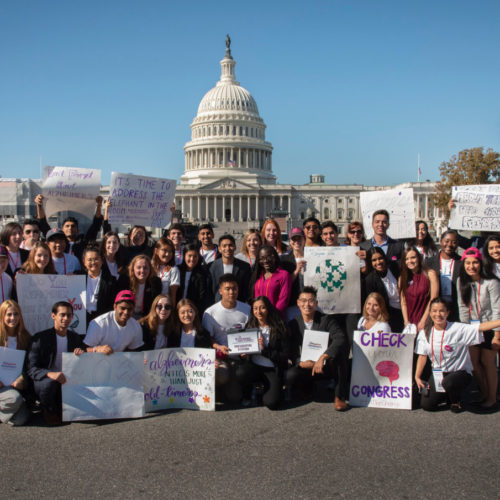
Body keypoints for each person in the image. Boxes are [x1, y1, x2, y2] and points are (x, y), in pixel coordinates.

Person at [414, 297, 500, 413]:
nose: (438, 314)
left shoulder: (458, 328)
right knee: (427, 405)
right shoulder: (425, 333)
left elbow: (481, 327)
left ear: (448, 313)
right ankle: (446, 394)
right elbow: (422, 356)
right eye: (434, 311)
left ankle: (456, 400)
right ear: (430, 313)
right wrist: (417, 376)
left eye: (441, 311)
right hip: (439, 373)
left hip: (459, 372)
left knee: (449, 382)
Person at [286, 287, 349, 411]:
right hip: (306, 365)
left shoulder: (326, 320)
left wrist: (323, 357)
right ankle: (307, 388)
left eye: (311, 301)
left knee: (340, 357)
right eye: (303, 301)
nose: (307, 305)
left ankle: (339, 397)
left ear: (316, 303)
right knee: (290, 375)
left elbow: (340, 338)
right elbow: (290, 349)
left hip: (324, 365)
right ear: (298, 303)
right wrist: (300, 362)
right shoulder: (293, 324)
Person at [27, 301, 87, 425]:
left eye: (69, 315)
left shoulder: (75, 338)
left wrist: (81, 354)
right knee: (49, 383)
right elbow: (31, 368)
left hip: (66, 380)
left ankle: (62, 407)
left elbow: (84, 357)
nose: (66, 318)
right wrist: (50, 374)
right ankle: (48, 410)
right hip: (45, 381)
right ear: (53, 316)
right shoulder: (40, 339)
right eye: (62, 315)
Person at [457, 247, 500, 410]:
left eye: (475, 262)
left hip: (490, 327)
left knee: (488, 362)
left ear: (480, 263)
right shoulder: (462, 281)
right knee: (474, 363)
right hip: (472, 328)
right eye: (468, 263)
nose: (471, 266)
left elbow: (497, 309)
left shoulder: (492, 282)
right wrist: (465, 331)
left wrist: (497, 335)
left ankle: (492, 398)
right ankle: (484, 393)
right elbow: (462, 307)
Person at [236, 296, 294, 409]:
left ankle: (269, 389)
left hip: (272, 369)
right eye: (255, 308)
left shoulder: (280, 327)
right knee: (240, 372)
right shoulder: (250, 326)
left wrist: (264, 351)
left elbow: (285, 355)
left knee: (271, 403)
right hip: (255, 367)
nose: (259, 312)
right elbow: (244, 349)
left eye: (262, 308)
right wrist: (243, 354)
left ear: (268, 309)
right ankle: (249, 392)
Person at [202, 274, 251, 401]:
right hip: (220, 358)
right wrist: (218, 347)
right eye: (227, 289)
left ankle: (229, 388)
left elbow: (250, 334)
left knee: (235, 397)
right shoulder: (210, 313)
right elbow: (209, 338)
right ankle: (218, 389)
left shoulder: (246, 309)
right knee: (220, 375)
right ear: (220, 291)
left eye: (234, 288)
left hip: (239, 358)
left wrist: (248, 350)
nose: (231, 292)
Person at [35, 194, 104, 262]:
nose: (70, 228)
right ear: (62, 229)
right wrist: (39, 205)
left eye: (73, 226)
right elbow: (43, 225)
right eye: (67, 226)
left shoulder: (84, 242)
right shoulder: (57, 243)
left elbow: (96, 225)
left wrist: (99, 205)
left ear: (78, 230)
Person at [0, 300, 31, 426]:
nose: (13, 318)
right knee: (15, 399)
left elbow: (29, 364)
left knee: (20, 419)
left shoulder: (25, 337)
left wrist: (22, 379)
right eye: (9, 314)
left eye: (16, 314)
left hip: (14, 386)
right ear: (2, 316)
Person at [362, 247, 404, 333]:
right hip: (389, 315)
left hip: (405, 309)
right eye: (374, 260)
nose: (378, 262)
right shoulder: (370, 280)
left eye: (380, 258)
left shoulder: (394, 267)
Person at [399, 248, 439, 331]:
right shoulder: (402, 278)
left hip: (426, 321)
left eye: (413, 257)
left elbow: (433, 299)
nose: (410, 261)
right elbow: (403, 302)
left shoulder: (430, 274)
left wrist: (423, 321)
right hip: (409, 324)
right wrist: (406, 322)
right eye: (406, 259)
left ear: (419, 258)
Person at [425, 230, 461, 321]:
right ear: (441, 241)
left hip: (455, 308)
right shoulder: (429, 262)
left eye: (453, 242)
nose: (449, 245)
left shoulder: (462, 262)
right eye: (447, 241)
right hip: (436, 309)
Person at [250, 245, 292, 318]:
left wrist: (272, 316)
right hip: (259, 318)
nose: (265, 261)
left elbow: (283, 300)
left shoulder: (283, 275)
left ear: (274, 257)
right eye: (262, 258)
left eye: (268, 257)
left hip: (275, 319)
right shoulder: (258, 275)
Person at [209, 234, 251, 303]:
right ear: (219, 249)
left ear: (235, 247)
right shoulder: (212, 267)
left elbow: (246, 290)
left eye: (230, 245)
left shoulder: (245, 267)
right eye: (224, 246)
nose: (227, 248)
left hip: (238, 305)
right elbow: (211, 290)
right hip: (218, 305)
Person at [82, 245, 117, 323]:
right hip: (82, 319)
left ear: (102, 260)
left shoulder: (111, 280)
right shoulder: (78, 278)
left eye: (96, 259)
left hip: (102, 320)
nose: (93, 262)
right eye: (89, 260)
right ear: (84, 262)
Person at [119, 255, 162, 319]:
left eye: (145, 268)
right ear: (133, 269)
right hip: (127, 314)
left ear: (150, 269)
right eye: (138, 267)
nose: (142, 271)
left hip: (146, 316)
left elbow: (154, 304)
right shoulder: (125, 281)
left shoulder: (155, 283)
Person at [176, 242, 213, 315]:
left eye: (195, 256)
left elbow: (202, 296)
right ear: (184, 256)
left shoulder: (203, 274)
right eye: (189, 256)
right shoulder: (178, 270)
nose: (192, 259)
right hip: (177, 308)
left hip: (193, 311)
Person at [280, 228, 306, 322]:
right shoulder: (284, 260)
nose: (297, 241)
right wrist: (296, 271)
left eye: (299, 238)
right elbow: (283, 284)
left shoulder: (312, 256)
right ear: (290, 241)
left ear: (304, 239)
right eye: (294, 239)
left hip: (309, 303)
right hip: (293, 304)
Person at [151, 237, 180, 307]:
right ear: (156, 251)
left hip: (163, 307)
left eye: (170, 251)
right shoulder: (149, 266)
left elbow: (173, 295)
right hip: (148, 306)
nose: (167, 254)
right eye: (164, 250)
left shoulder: (174, 269)